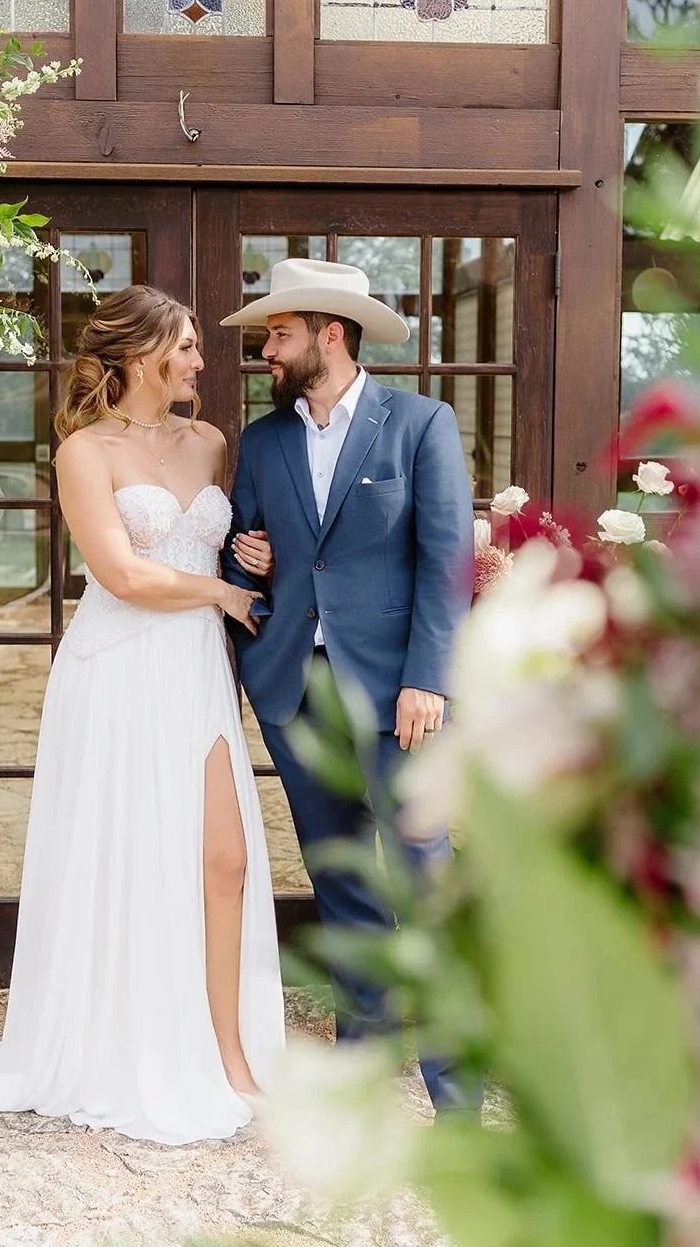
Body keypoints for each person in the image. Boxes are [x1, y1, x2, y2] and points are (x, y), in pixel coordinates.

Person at [0, 285, 286, 1144]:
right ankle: (129, 1045)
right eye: (186, 346)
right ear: (140, 354)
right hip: (118, 668)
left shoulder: (212, 442)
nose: (198, 360)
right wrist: (224, 589)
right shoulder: (84, 451)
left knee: (221, 859)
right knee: (133, 858)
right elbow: (122, 575)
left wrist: (245, 551)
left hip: (193, 667)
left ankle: (229, 1053)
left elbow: (213, 538)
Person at [219, 257, 479, 1113]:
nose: (266, 350)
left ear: (329, 335)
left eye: (278, 334)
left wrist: (426, 683)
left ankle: (455, 1097)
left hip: (400, 695)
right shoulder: (262, 441)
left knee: (425, 883)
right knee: (343, 887)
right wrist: (242, 555)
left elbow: (446, 564)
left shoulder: (419, 423)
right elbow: (248, 552)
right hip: (297, 690)